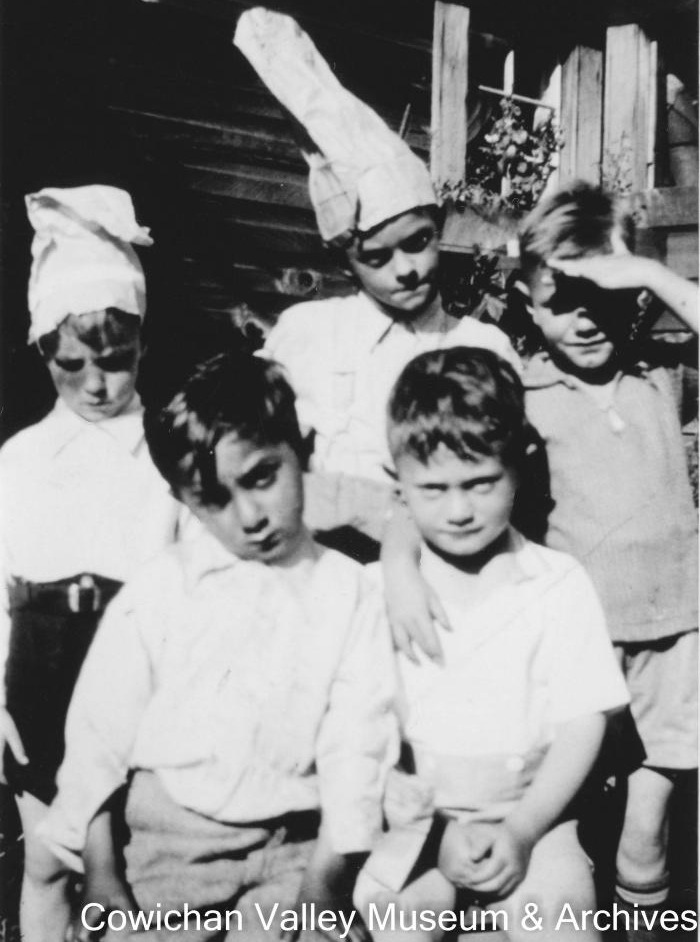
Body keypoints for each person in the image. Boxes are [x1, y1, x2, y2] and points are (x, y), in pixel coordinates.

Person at [383, 183, 698, 933]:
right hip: (580, 645)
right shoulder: (523, 388)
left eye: (606, 297)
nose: (587, 319)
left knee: (646, 832)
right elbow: (434, 476)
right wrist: (397, 566)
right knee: (569, 816)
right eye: (564, 301)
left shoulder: (661, 374)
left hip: (679, 637)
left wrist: (649, 274)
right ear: (527, 300)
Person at [41, 352, 398, 942]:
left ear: (301, 449)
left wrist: (324, 884)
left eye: (262, 477)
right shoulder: (161, 589)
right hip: (169, 845)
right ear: (182, 499)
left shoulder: (349, 591)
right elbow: (97, 734)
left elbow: (358, 743)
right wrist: (101, 872)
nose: (249, 517)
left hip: (295, 849)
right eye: (213, 498)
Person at [353, 347, 629, 942]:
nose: (459, 511)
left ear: (519, 467)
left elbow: (584, 721)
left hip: (536, 816)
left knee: (562, 923)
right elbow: (358, 727)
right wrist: (433, 833)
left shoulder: (556, 581)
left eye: (481, 483)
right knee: (398, 925)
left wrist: (524, 831)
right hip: (415, 823)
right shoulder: (378, 590)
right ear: (397, 485)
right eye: (433, 489)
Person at [234, 8, 519, 547]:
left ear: (437, 228)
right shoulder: (311, 334)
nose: (406, 270)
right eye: (377, 257)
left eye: (418, 242)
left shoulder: (481, 345)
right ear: (347, 263)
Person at [0, 185, 186, 942]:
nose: (97, 384)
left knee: (135, 864)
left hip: (142, 675)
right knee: (48, 857)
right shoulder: (21, 459)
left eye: (114, 361)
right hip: (41, 675)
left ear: (142, 342)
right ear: (43, 351)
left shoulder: (171, 453)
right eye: (72, 365)